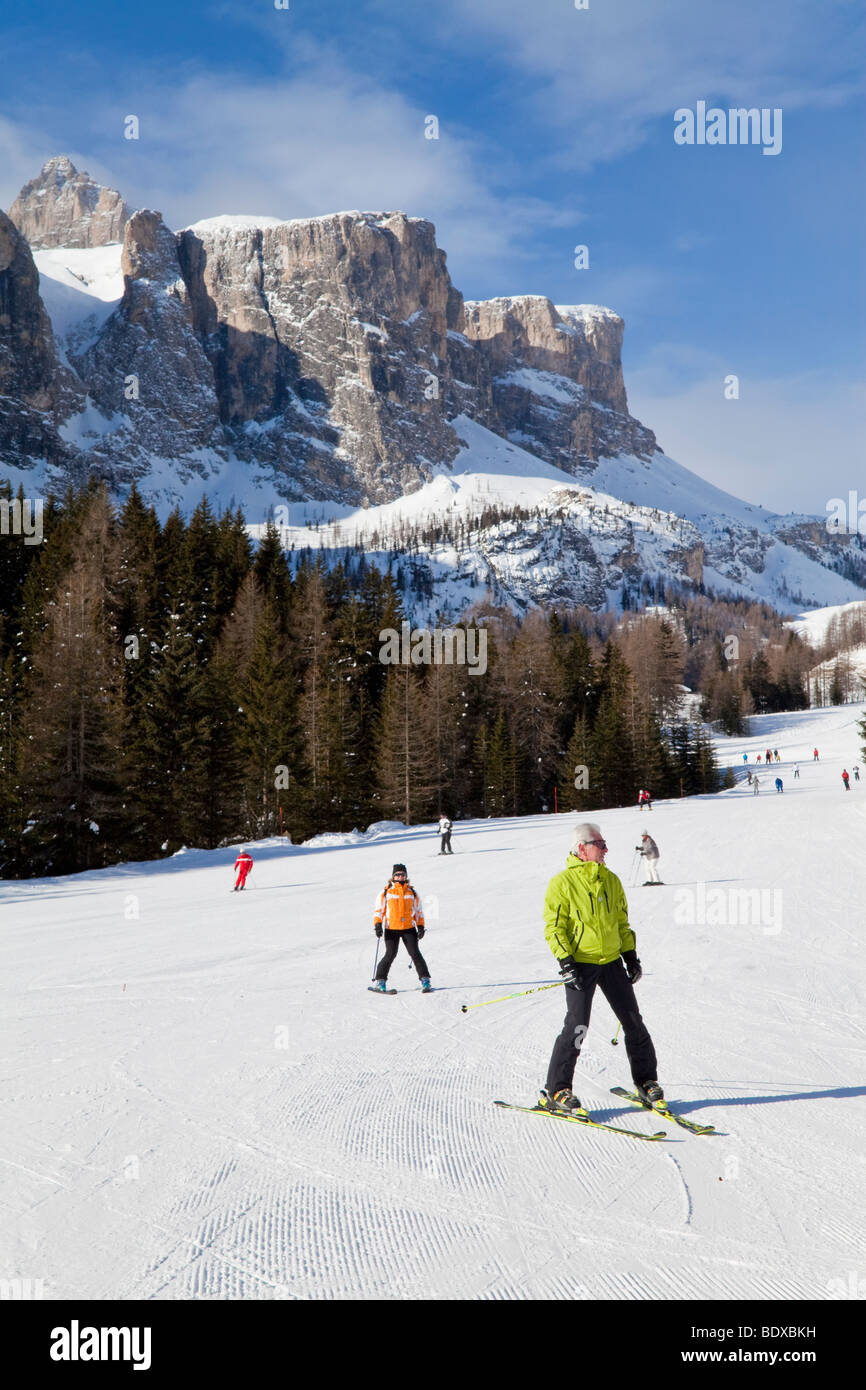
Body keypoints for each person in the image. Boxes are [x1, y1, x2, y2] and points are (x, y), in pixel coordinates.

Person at [539, 822, 662, 1115]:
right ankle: (558, 1089)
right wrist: (565, 961)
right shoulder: (562, 883)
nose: (606, 848)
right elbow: (554, 927)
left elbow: (621, 923)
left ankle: (647, 1083)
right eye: (600, 843)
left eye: (604, 843)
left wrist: (630, 956)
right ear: (582, 848)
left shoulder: (612, 881)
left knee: (633, 1022)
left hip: (611, 963)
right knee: (577, 1026)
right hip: (580, 964)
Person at [372, 863, 431, 992]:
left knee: (415, 953)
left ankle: (425, 980)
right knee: (390, 954)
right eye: (397, 875)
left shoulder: (412, 892)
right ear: (393, 876)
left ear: (406, 876)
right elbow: (379, 910)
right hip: (391, 928)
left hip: (408, 928)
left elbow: (418, 911)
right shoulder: (386, 891)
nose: (400, 877)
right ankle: (380, 981)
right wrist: (377, 925)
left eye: (402, 875)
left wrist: (420, 926)